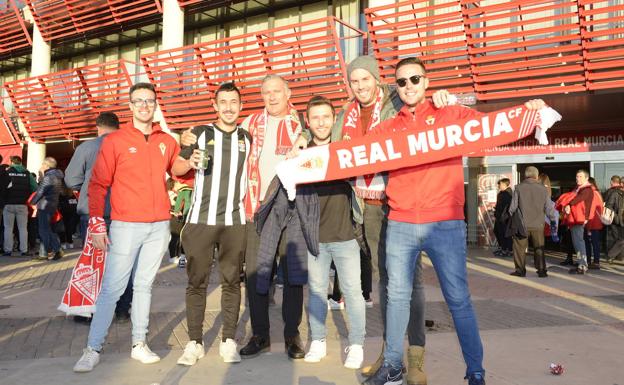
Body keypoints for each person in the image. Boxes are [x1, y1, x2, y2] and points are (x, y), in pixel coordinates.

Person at [363, 56, 546, 385]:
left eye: (414, 79)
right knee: (397, 298)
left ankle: (476, 372)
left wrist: (529, 111)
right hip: (401, 223)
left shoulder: (450, 114)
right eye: (401, 82)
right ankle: (392, 365)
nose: (408, 87)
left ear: (426, 81)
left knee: (458, 299)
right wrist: (305, 155)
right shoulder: (386, 129)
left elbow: (494, 127)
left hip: (445, 223)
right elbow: (350, 155)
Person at [292, 56, 428, 384]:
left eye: (366, 79)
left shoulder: (397, 98)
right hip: (366, 204)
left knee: (412, 280)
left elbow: (421, 102)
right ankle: (390, 352)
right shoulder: (345, 115)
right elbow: (327, 146)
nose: (361, 86)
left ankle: (416, 357)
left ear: (377, 79)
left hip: (401, 200)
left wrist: (442, 97)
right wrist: (301, 142)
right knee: (384, 281)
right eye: (355, 81)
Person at [180, 75, 307, 360]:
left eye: (277, 92)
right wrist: (186, 137)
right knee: (254, 275)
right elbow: (216, 133)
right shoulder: (249, 125)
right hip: (255, 210)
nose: (272, 97)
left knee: (292, 275)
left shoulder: (302, 125)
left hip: (291, 209)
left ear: (288, 93)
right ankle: (260, 334)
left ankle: (291, 336)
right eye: (266, 93)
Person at [73, 82, 179, 372]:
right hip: (124, 225)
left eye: (150, 101)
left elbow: (179, 172)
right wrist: (96, 222)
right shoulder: (115, 141)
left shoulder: (167, 141)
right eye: (139, 101)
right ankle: (93, 347)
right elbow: (98, 184)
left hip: (158, 226)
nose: (145, 106)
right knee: (112, 289)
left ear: (155, 105)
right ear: (130, 106)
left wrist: (191, 158)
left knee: (144, 286)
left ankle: (139, 343)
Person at [171, 82, 251, 365]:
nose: (229, 107)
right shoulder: (200, 134)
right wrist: (189, 161)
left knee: (231, 282)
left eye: (234, 102)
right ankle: (194, 342)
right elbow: (175, 169)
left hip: (234, 221)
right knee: (196, 282)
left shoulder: (247, 137)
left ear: (241, 106)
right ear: (215, 106)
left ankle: (228, 340)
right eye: (223, 102)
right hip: (200, 221)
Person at [301, 96, 366, 369]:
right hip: (314, 238)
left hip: (345, 236)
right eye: (315, 117)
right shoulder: (301, 154)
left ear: (334, 118)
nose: (321, 122)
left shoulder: (344, 150)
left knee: (353, 292)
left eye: (326, 117)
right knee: (316, 291)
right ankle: (317, 340)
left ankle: (357, 344)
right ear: (308, 121)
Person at [64, 112, 133, 324]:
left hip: (93, 213)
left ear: (98, 127)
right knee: (124, 262)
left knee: (93, 261)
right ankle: (122, 310)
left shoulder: (86, 147)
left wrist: (87, 187)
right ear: (117, 127)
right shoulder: (128, 146)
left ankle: (89, 311)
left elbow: (71, 180)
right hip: (123, 213)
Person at [508, 166, 556, 278]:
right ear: (536, 175)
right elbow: (549, 207)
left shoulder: (518, 188)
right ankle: (542, 270)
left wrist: (510, 217)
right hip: (538, 224)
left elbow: (512, 207)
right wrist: (553, 220)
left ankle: (520, 270)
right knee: (539, 247)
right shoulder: (543, 189)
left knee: (519, 248)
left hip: (522, 225)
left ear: (525, 175)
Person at [2, 156, 37, 256]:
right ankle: (24, 250)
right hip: (22, 204)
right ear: (21, 162)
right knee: (23, 228)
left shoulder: (7, 172)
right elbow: (35, 188)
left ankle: (8, 250)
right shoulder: (27, 173)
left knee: (8, 228)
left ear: (11, 162)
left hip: (8, 204)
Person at [30, 157, 64, 261]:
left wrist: (32, 202)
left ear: (46, 166)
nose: (41, 166)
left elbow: (40, 191)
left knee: (43, 230)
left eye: (42, 164)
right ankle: (56, 250)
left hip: (45, 205)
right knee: (48, 229)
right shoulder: (58, 176)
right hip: (52, 205)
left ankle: (52, 251)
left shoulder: (48, 177)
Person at [564, 169, 594, 275]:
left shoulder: (587, 189)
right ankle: (581, 264)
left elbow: (579, 198)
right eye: (577, 176)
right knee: (578, 242)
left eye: (580, 176)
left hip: (579, 219)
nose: (577, 178)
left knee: (579, 242)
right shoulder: (579, 188)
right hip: (575, 219)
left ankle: (582, 266)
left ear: (586, 178)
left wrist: (569, 204)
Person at [584, 177, 603, 269]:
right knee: (595, 243)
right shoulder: (597, 193)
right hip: (597, 223)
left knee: (590, 243)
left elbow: (591, 210)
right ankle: (595, 262)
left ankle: (592, 262)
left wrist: (588, 227)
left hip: (592, 223)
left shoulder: (592, 194)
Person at [604, 175, 624, 262]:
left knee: (620, 239)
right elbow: (609, 206)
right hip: (618, 220)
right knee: (621, 239)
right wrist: (616, 217)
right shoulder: (615, 193)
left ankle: (619, 256)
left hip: (621, 220)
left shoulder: (620, 193)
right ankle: (610, 255)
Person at [493, 178, 512, 257]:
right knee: (497, 231)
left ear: (504, 185)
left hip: (505, 218)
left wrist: (504, 215)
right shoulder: (501, 193)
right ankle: (502, 247)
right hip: (500, 217)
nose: (498, 186)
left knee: (505, 234)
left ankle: (507, 250)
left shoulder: (508, 194)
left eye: (500, 184)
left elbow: (508, 207)